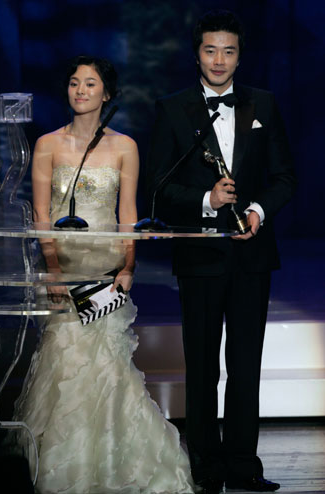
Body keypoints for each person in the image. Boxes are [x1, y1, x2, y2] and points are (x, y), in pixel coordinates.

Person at [13, 55, 195, 494]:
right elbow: (40, 213)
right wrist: (53, 269)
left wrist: (128, 266)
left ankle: (115, 461)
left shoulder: (124, 146)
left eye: (90, 84)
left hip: (106, 270)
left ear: (106, 93)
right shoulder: (47, 145)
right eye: (74, 82)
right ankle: (67, 465)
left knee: (108, 366)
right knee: (66, 363)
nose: (80, 90)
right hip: (65, 270)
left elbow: (128, 213)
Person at [146, 10, 296, 494]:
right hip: (201, 255)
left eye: (228, 50)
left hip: (252, 255)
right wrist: (205, 201)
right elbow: (158, 190)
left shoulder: (264, 105)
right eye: (210, 50)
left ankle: (243, 465)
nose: (219, 59)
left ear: (239, 55)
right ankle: (206, 466)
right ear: (196, 54)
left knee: (247, 363)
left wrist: (255, 210)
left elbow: (284, 178)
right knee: (204, 366)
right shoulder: (172, 109)